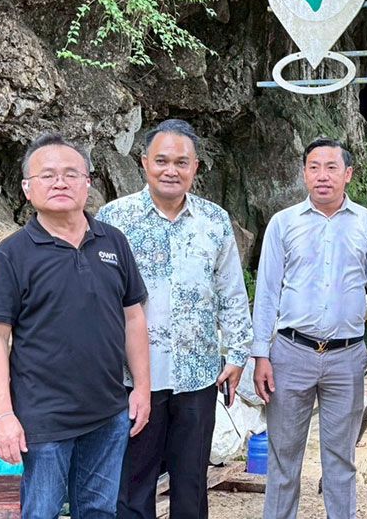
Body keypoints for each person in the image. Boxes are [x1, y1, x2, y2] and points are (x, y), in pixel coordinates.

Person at [0, 133, 151, 519]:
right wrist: (2, 416)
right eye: (47, 175)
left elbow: (133, 316)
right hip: (43, 418)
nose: (60, 182)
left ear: (88, 183)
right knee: (42, 511)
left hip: (108, 411)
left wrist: (141, 387)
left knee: (99, 510)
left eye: (72, 174)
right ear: (27, 189)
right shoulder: (12, 254)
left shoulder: (113, 242)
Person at [96, 119, 253, 519]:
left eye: (181, 162)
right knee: (132, 486)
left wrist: (237, 355)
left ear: (195, 167)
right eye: (161, 160)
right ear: (144, 162)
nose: (171, 170)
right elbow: (96, 298)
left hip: (197, 376)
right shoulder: (114, 219)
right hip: (132, 378)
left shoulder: (214, 221)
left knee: (191, 484)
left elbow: (231, 293)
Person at [251, 138, 367, 519]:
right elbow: (267, 291)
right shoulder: (283, 224)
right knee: (283, 458)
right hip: (290, 353)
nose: (322, 176)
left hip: (346, 357)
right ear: (304, 173)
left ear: (348, 174)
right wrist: (260, 353)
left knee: (341, 460)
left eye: (331, 167)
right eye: (314, 167)